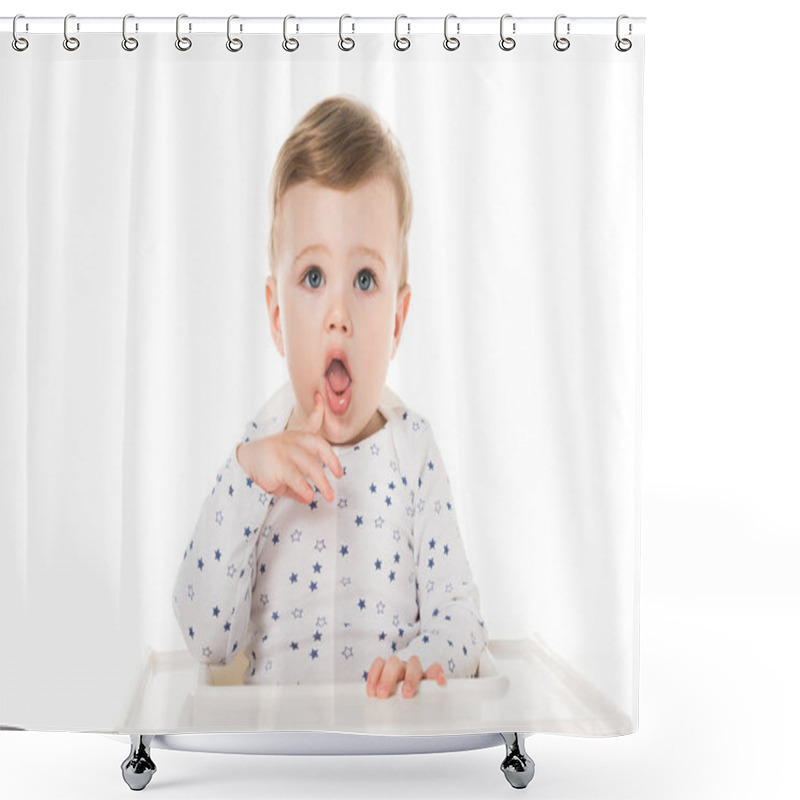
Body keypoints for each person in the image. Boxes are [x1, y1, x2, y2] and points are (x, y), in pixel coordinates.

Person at [173, 96, 487, 699]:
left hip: (391, 754)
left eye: (364, 280)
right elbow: (206, 640)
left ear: (397, 321)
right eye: (313, 278)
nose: (338, 316)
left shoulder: (412, 449)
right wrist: (245, 478)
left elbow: (461, 616)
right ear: (276, 315)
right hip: (276, 762)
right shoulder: (258, 457)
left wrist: (423, 659)